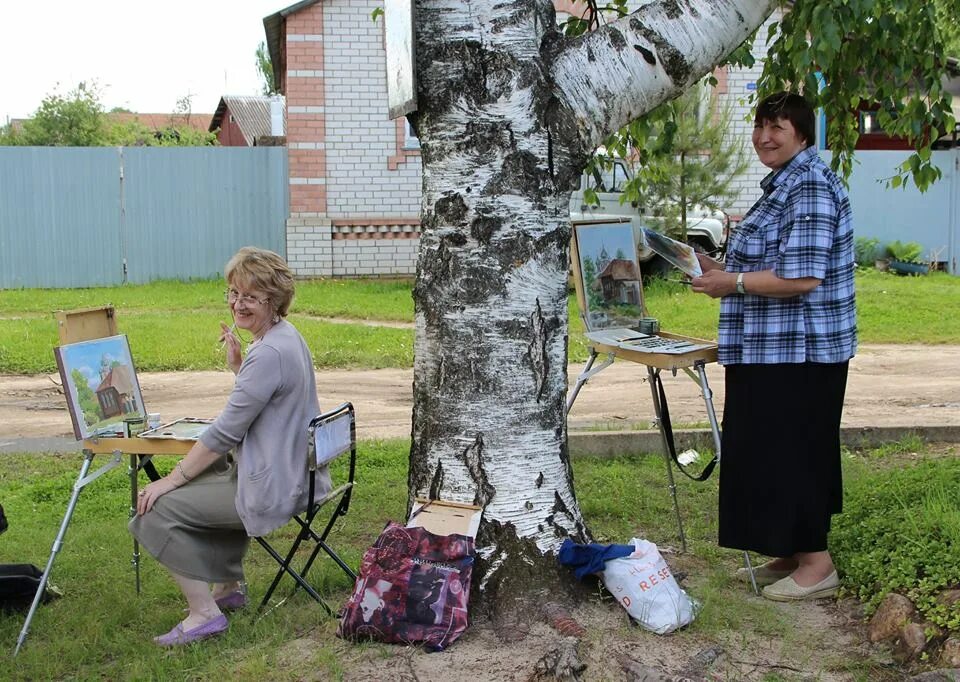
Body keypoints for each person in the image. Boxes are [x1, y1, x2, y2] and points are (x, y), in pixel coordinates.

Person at [691, 92, 857, 602]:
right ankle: (788, 553)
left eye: (778, 127)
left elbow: (803, 276)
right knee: (766, 453)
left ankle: (817, 564)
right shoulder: (784, 183)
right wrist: (720, 271)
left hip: (800, 353)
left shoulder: (808, 184)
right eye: (761, 125)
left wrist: (732, 283)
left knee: (794, 454)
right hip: (769, 350)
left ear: (802, 134)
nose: (765, 136)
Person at [130, 246, 328, 645]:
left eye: (251, 297)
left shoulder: (269, 351)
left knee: (155, 508)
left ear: (274, 301)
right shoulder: (284, 338)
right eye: (233, 293)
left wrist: (169, 479)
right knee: (210, 472)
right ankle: (228, 586)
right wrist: (239, 367)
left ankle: (203, 614)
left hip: (275, 488)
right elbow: (268, 406)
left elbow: (225, 433)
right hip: (299, 474)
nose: (238, 304)